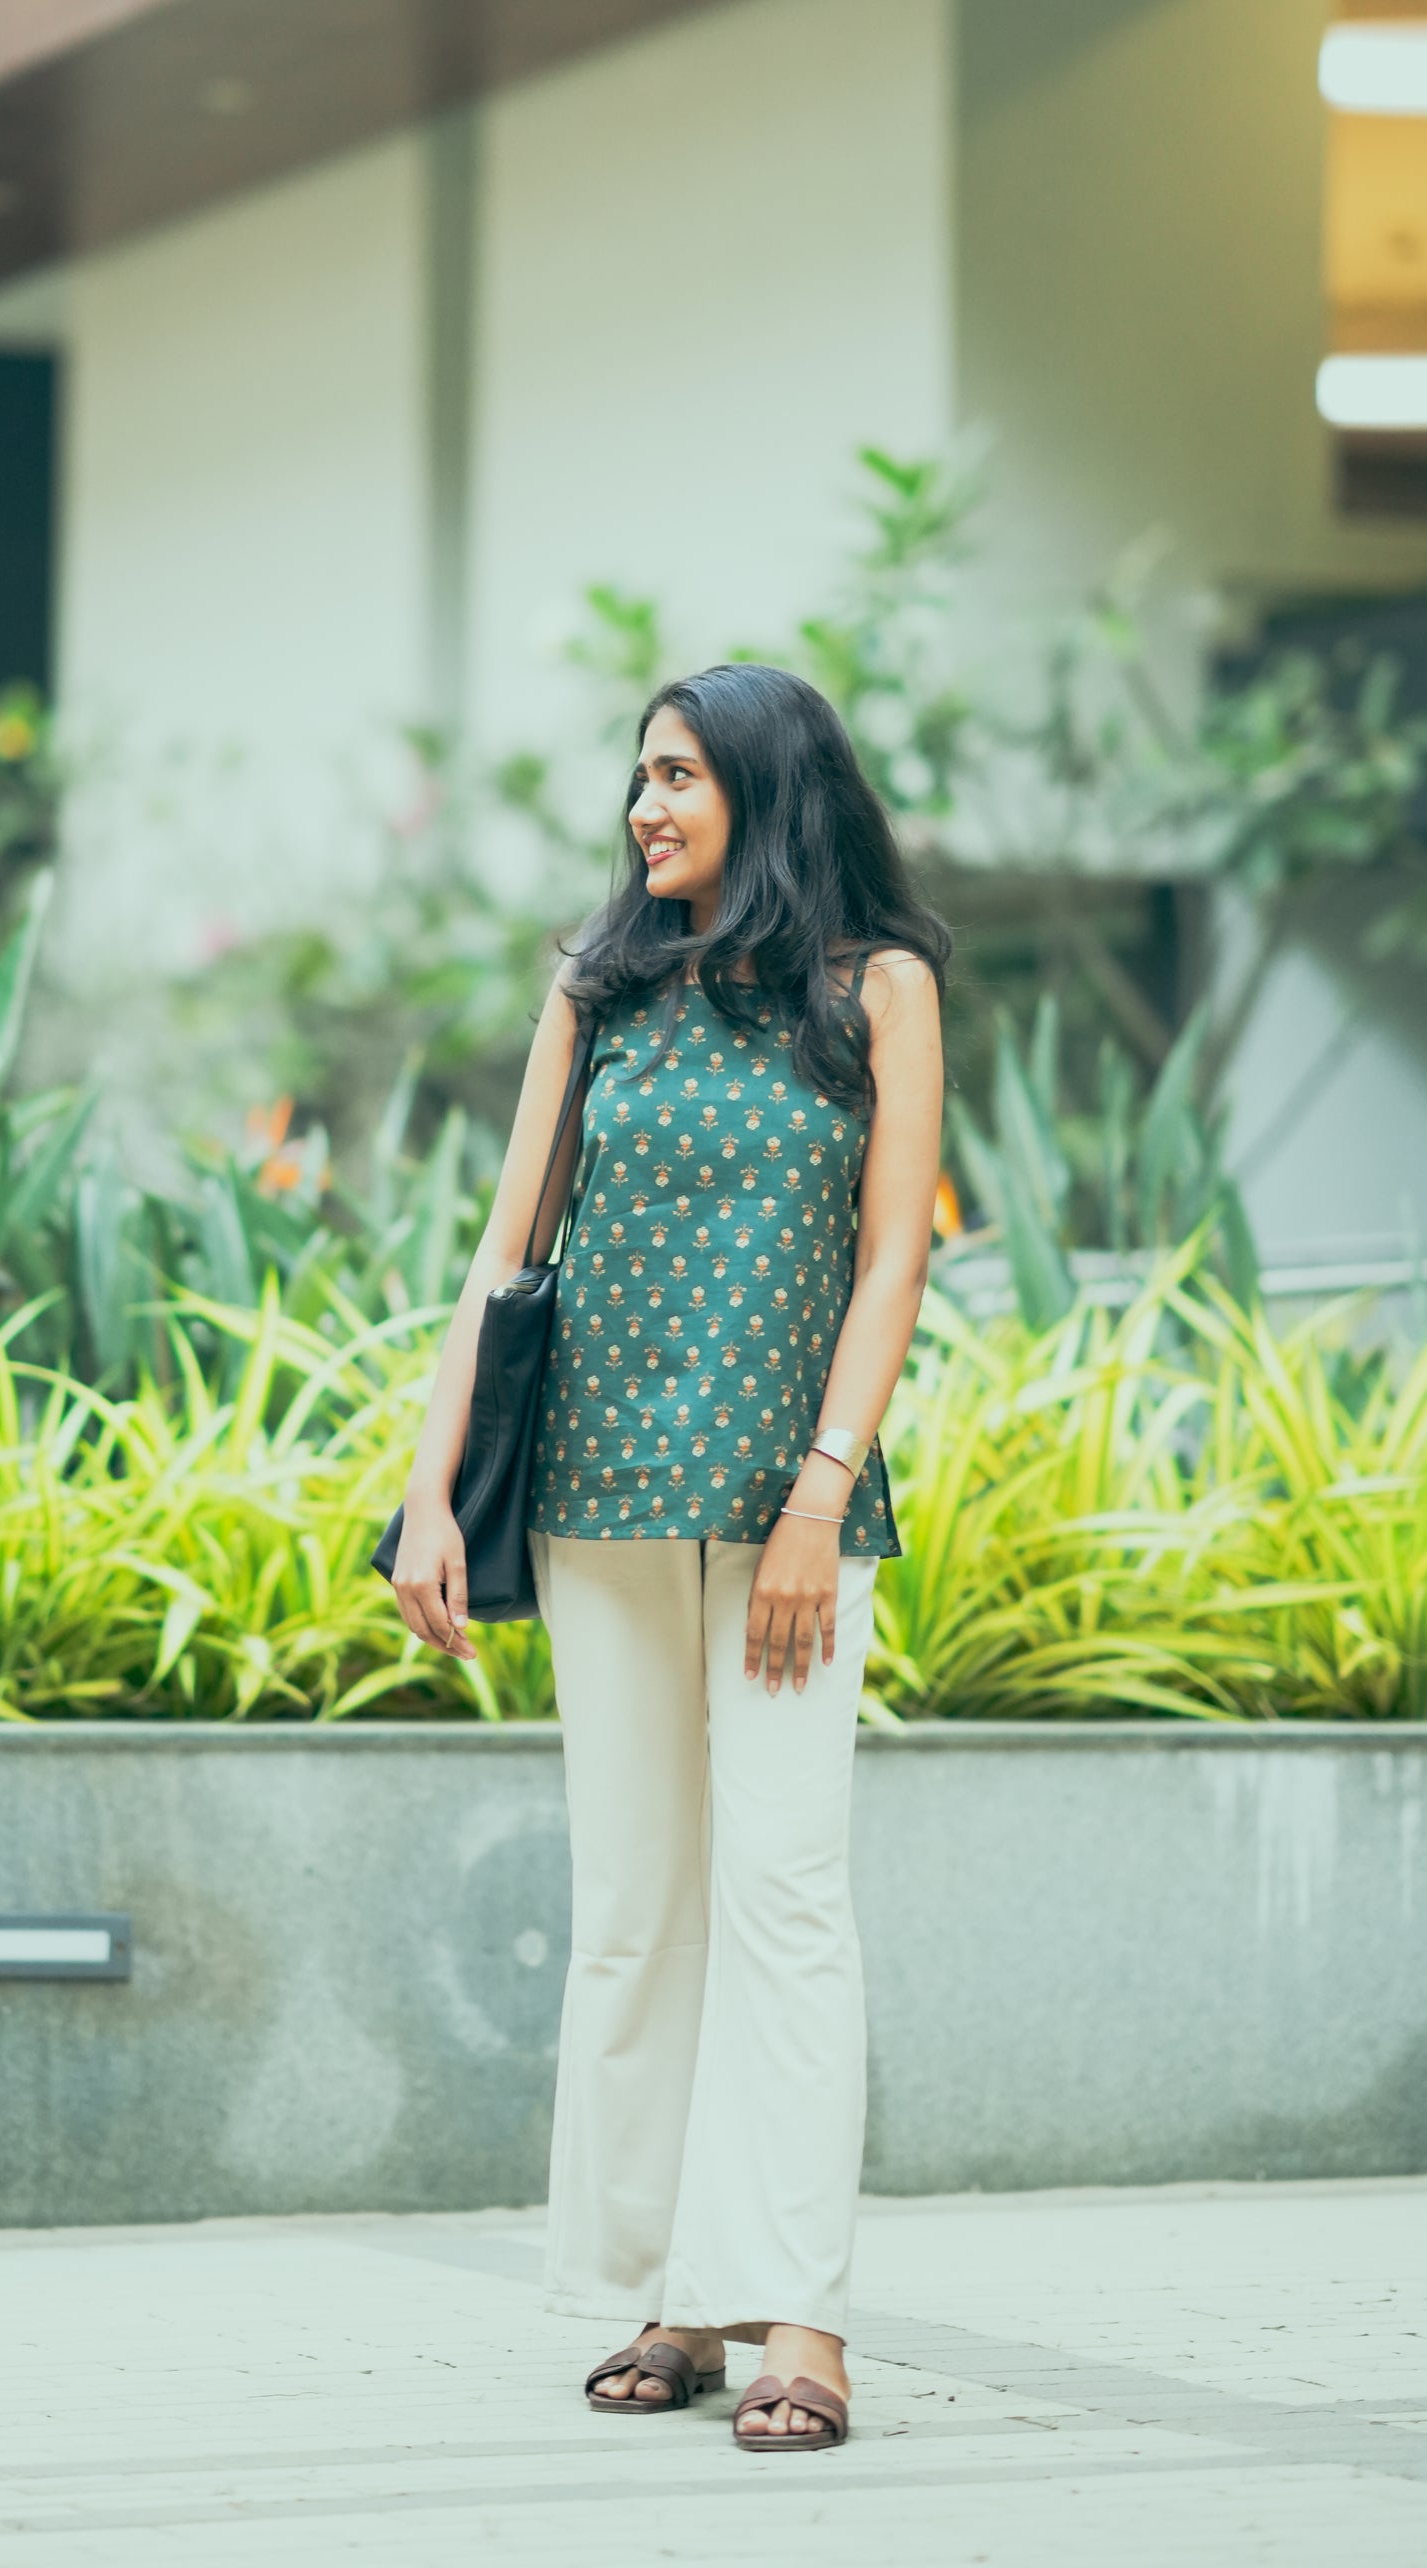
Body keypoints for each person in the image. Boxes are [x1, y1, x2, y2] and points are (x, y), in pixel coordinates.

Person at [390, 662, 947, 2451]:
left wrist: (817, 1496)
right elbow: (509, 1248)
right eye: (640, 776)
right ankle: (672, 2296)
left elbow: (891, 1259)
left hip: (792, 1514)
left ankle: (802, 2320)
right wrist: (428, 1493)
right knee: (637, 1907)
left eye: (681, 775)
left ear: (770, 789)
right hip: (596, 1495)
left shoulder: (876, 990)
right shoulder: (601, 988)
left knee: (784, 1897)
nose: (645, 806)